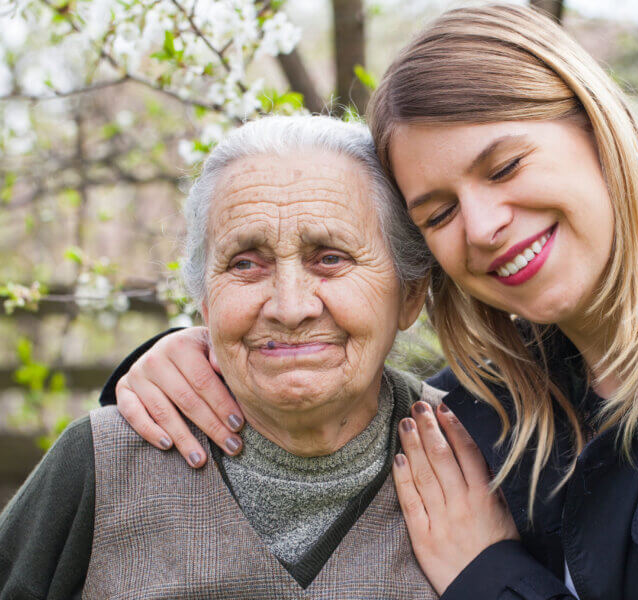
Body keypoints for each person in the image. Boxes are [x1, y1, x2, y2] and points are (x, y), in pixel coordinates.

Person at [99, 4, 638, 600]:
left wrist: (492, 576)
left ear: (597, 128)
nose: (481, 226)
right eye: (437, 212)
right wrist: (174, 365)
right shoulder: (477, 408)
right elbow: (318, 412)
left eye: (506, 166)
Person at [0, 115, 523, 599]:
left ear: (410, 294)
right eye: (246, 263)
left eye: (331, 258)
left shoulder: (488, 457)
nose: (290, 306)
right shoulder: (100, 462)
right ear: (204, 300)